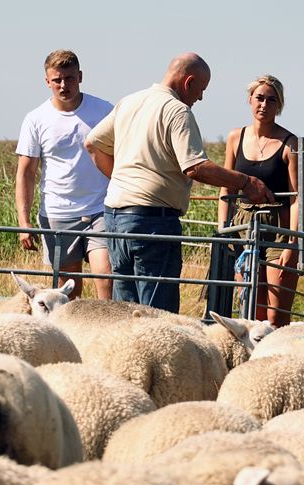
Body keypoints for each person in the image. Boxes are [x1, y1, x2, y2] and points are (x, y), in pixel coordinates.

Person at [84, 52, 272, 313]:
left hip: (115, 217)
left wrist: (122, 179)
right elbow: (195, 166)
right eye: (201, 89)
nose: (200, 97)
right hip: (152, 221)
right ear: (189, 82)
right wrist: (246, 181)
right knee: (156, 314)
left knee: (124, 312)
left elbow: (93, 143)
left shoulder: (131, 101)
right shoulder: (176, 111)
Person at [15, 49, 114, 300]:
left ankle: (107, 333)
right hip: (58, 213)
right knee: (68, 290)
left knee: (106, 275)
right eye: (57, 79)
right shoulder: (36, 119)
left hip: (100, 208)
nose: (63, 85)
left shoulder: (104, 111)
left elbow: (124, 154)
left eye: (69, 78)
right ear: (47, 81)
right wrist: (24, 222)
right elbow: (26, 173)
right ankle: (71, 336)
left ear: (80, 76)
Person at [217, 75, 299, 327]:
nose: (264, 104)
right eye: (259, 98)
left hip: (278, 229)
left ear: (279, 106)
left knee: (275, 315)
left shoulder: (290, 144)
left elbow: (297, 198)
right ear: (250, 100)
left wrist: (292, 244)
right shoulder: (235, 137)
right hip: (243, 227)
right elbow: (226, 187)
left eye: (271, 100)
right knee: (250, 309)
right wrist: (223, 229)